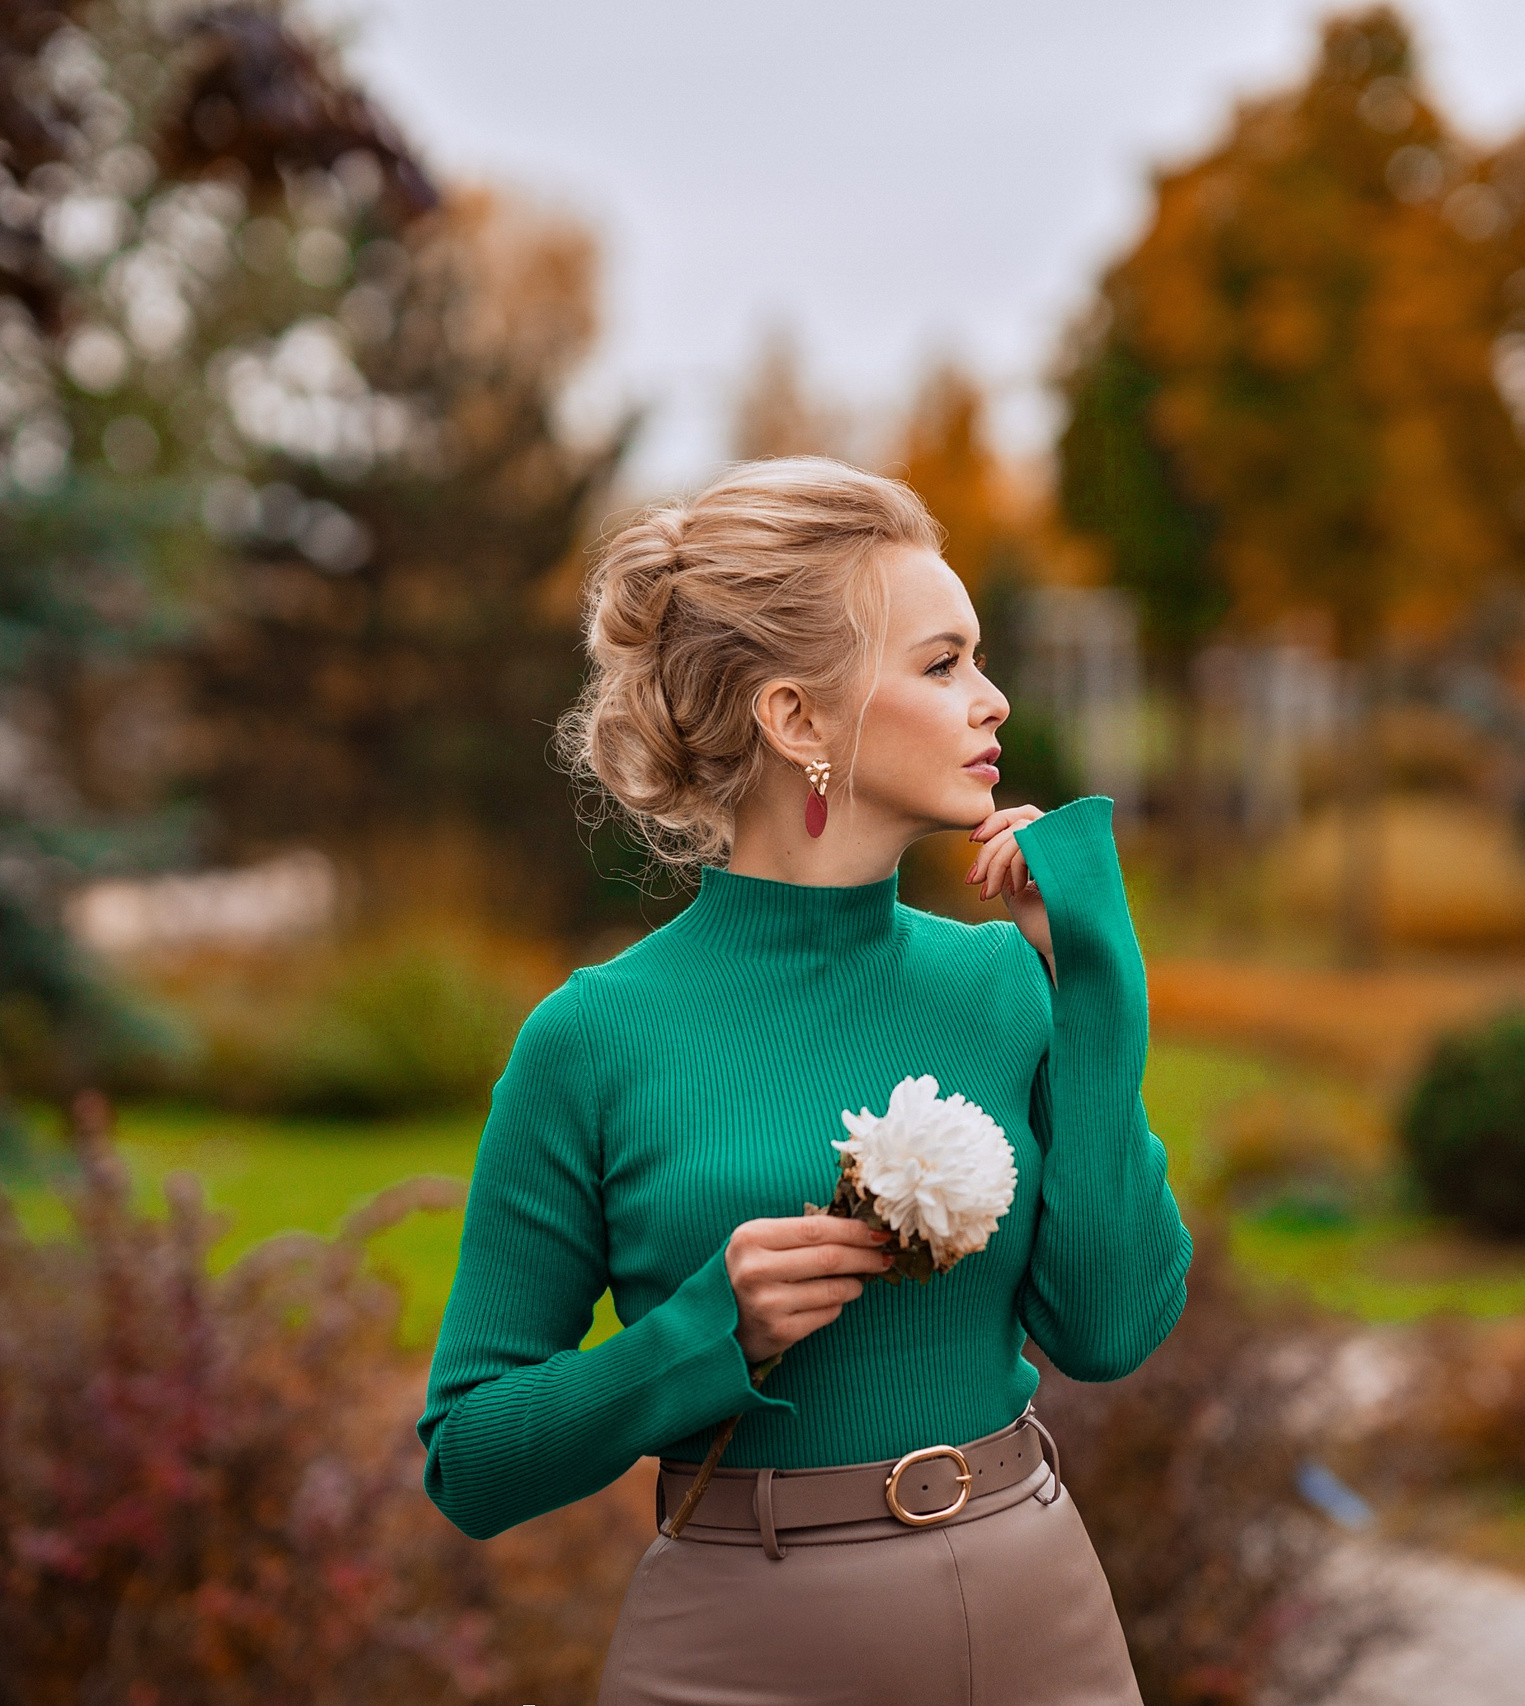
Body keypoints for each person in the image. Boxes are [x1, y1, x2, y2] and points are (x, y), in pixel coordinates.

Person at [417, 456, 1192, 1703]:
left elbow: (1108, 1330)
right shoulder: (594, 1038)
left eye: (977, 659)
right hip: (743, 1647)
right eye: (941, 664)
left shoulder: (1006, 982)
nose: (991, 699)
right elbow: (471, 1459)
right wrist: (703, 1332)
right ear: (797, 719)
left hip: (1036, 1620)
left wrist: (1092, 979)